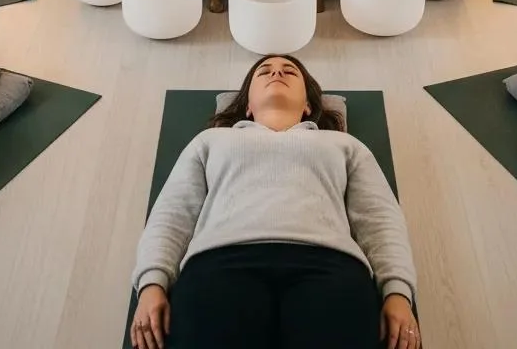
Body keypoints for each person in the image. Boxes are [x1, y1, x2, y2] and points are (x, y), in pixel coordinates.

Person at [130, 54, 420, 349]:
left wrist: (397, 293)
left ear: (308, 105)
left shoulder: (344, 145)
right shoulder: (211, 140)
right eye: (265, 71)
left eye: (289, 71)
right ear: (247, 106)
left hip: (330, 267)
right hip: (219, 265)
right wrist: (152, 283)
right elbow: (172, 212)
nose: (277, 72)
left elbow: (380, 218)